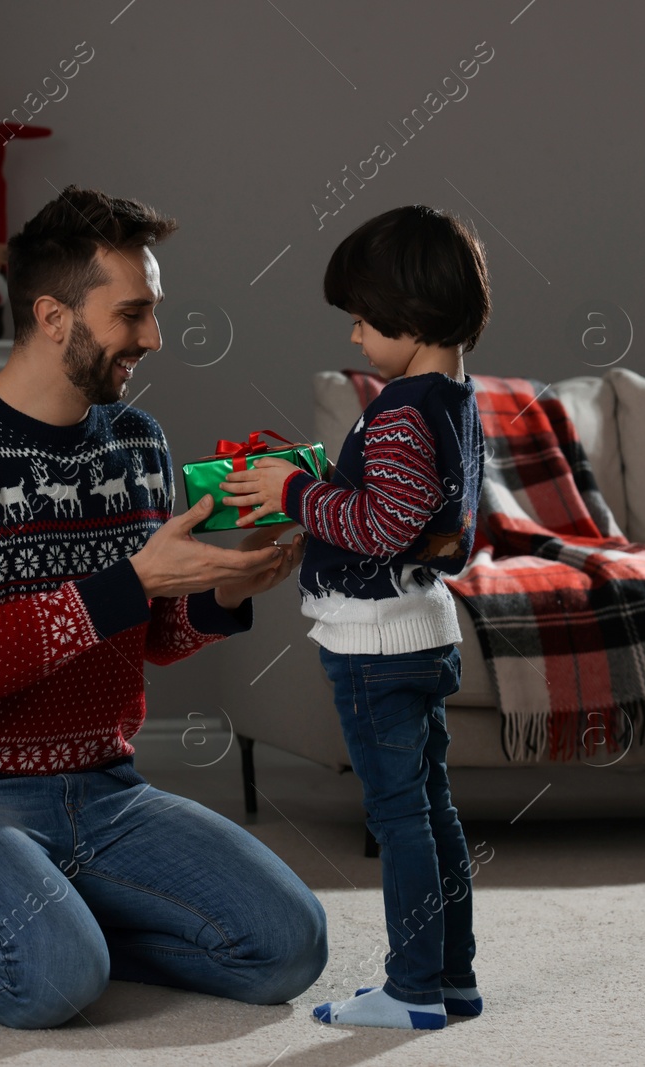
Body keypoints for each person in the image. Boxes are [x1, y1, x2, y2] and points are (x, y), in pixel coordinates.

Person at [0, 186, 327, 1029]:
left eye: (153, 311)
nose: (153, 338)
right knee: (55, 981)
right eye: (132, 313)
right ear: (54, 317)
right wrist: (130, 580)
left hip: (105, 789)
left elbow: (151, 634)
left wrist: (227, 589)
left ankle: (69, 934)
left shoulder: (137, 442)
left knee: (289, 945)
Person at [220, 205, 489, 1030]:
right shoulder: (454, 398)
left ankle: (410, 989)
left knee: (399, 817)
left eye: (364, 321)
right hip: (421, 629)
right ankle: (452, 977)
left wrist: (292, 493)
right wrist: (323, 487)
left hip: (376, 643)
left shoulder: (404, 409)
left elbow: (382, 525)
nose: (355, 338)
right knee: (431, 807)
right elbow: (418, 516)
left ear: (409, 317)